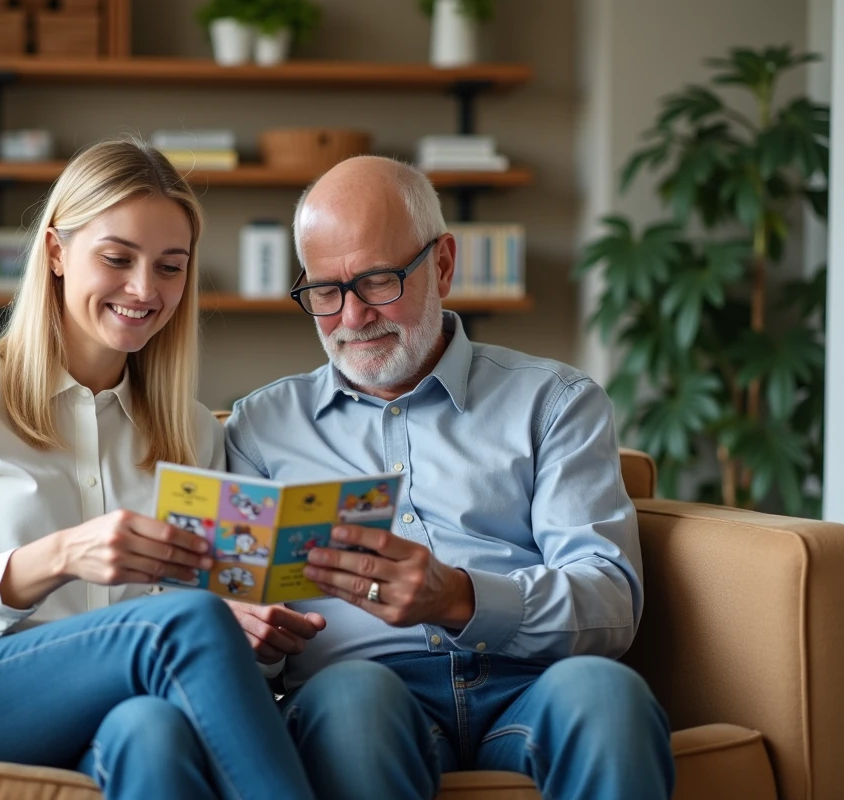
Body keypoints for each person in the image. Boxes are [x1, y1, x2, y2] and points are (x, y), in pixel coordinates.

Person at [0, 139, 316, 800]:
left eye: (170, 267)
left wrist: (254, 636)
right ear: (58, 253)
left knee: (153, 730)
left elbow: (196, 621)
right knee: (182, 630)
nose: (145, 289)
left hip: (114, 702)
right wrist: (59, 556)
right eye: (117, 258)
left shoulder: (189, 431)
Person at [224, 156, 676, 800]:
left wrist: (460, 597)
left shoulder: (555, 401)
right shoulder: (260, 429)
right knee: (352, 702)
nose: (352, 318)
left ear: (441, 264)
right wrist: (249, 631)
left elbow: (608, 601)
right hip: (361, 689)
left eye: (378, 281)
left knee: (607, 694)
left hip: (531, 683)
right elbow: (251, 635)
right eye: (325, 291)